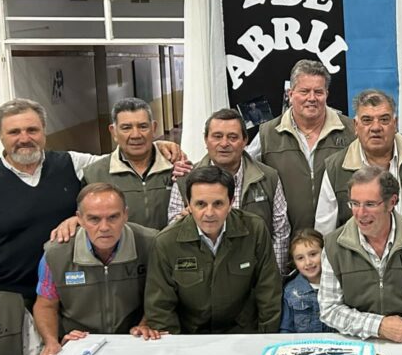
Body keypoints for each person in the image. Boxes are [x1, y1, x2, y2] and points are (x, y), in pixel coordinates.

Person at [0, 98, 183, 309]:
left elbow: (121, 157)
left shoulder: (72, 164)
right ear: (0, 135)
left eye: (32, 130)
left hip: (72, 292)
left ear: (44, 130)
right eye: (14, 132)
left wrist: (156, 146)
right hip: (11, 297)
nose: (24, 138)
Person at [318, 166, 402, 342]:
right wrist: (379, 327)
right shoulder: (334, 245)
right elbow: (329, 309)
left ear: (392, 202)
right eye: (355, 203)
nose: (360, 213)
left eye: (370, 204)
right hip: (359, 343)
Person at [145, 165, 281, 334]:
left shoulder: (255, 230)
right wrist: (176, 346)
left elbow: (269, 291)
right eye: (200, 204)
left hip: (243, 334)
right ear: (188, 204)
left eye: (218, 204)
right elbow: (160, 309)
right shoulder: (166, 242)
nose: (209, 213)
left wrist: (265, 339)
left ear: (231, 203)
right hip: (190, 338)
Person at [35, 183, 162, 355]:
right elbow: (46, 305)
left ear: (125, 214)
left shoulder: (152, 243)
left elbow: (162, 295)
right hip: (80, 344)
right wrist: (51, 342)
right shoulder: (56, 253)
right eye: (94, 219)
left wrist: (146, 324)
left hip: (135, 341)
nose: (104, 227)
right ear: (80, 219)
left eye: (113, 217)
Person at [169, 108, 290, 274]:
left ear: (245, 141)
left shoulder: (268, 178)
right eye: (217, 136)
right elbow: (172, 232)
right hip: (202, 278)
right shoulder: (184, 179)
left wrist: (273, 277)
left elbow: (280, 233)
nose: (224, 143)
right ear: (206, 140)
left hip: (255, 276)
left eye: (232, 137)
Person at [250, 60, 356, 232]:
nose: (311, 98)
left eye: (318, 92)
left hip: (341, 239)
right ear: (290, 94)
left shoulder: (351, 130)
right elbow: (241, 168)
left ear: (327, 94)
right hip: (289, 240)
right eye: (304, 91)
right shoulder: (267, 134)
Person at [314, 89, 402, 233]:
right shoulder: (335, 168)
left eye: (384, 119)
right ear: (356, 126)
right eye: (367, 120)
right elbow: (325, 232)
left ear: (395, 124)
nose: (376, 127)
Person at [82, 97, 183, 230]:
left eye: (143, 126)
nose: (136, 135)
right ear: (114, 132)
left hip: (169, 243)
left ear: (153, 128)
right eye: (126, 128)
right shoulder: (94, 175)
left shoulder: (177, 167)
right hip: (122, 244)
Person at [279, 229, 332, 333]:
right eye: (300, 258)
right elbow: (286, 330)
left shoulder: (338, 285)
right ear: (294, 262)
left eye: (313, 254)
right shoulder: (289, 291)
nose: (308, 262)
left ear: (324, 253)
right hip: (302, 343)